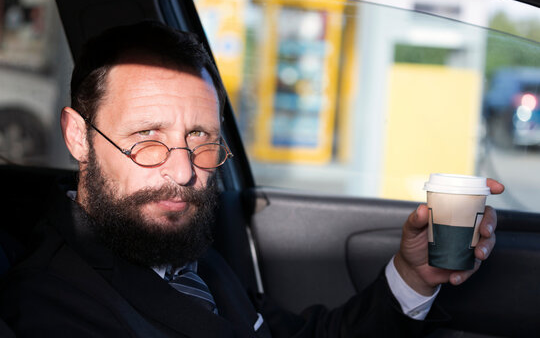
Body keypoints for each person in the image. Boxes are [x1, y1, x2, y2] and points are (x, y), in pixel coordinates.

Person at [0, 21, 503, 337]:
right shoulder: (51, 304)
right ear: (78, 137)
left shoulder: (183, 253)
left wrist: (413, 277)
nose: (183, 172)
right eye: (146, 139)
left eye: (201, 138)